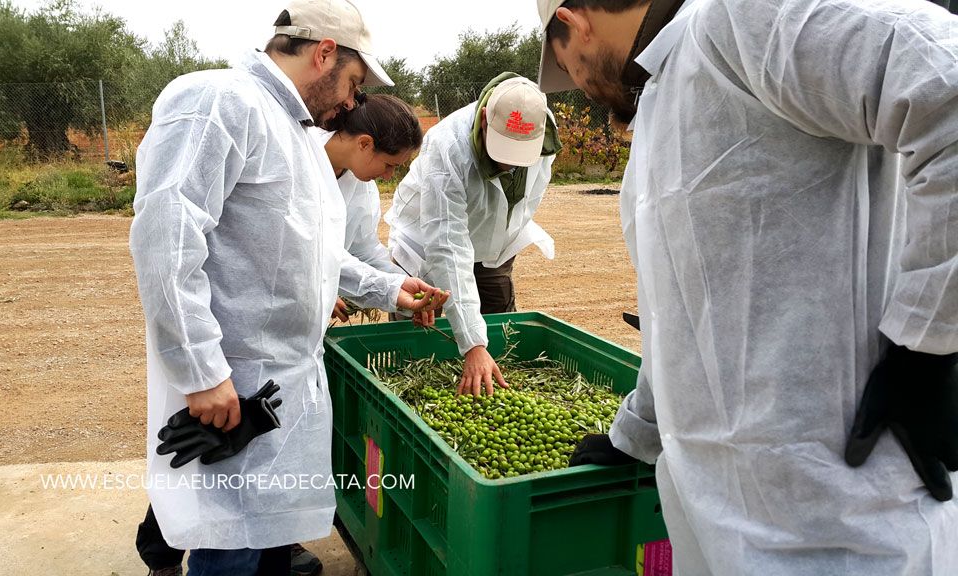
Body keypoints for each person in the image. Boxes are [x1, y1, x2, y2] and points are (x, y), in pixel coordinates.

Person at [538, 0, 958, 573]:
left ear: (573, 22)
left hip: (847, 526)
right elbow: (678, 315)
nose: (581, 88)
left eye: (569, 69)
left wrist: (927, 348)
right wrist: (635, 432)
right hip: (723, 522)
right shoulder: (664, 100)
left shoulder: (741, 18)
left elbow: (945, 78)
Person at [129, 1, 447, 574]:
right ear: (324, 52)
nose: (353, 101)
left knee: (265, 537)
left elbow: (315, 255)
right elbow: (166, 240)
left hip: (281, 386)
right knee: (229, 544)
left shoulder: (296, 133)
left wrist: (387, 289)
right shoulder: (218, 101)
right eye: (353, 82)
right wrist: (201, 372)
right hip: (234, 387)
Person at [385, 73, 561, 396]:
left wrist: (479, 343)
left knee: (498, 328)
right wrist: (473, 344)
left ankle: (489, 380)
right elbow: (446, 243)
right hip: (425, 245)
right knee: (416, 342)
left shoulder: (542, 128)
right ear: (484, 119)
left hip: (493, 248)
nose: (509, 166)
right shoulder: (448, 147)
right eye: (502, 152)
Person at [313, 93, 424, 322]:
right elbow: (306, 252)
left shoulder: (360, 183)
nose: (388, 176)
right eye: (389, 165)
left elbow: (364, 250)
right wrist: (316, 283)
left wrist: (401, 281)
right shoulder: (302, 157)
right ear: (365, 143)